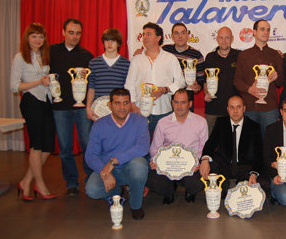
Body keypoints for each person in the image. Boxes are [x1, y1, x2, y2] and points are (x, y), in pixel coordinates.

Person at [85, 88, 150, 220]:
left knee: (140, 165)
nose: (122, 107)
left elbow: (143, 147)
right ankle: (116, 194)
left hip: (129, 168)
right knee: (92, 190)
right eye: (117, 103)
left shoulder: (140, 121)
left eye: (126, 103)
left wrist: (114, 161)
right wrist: (105, 173)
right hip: (108, 169)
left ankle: (135, 205)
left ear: (131, 104)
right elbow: (90, 155)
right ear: (110, 105)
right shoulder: (99, 125)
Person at [10, 23, 56, 201]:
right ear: (27, 38)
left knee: (48, 146)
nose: (37, 40)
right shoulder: (20, 57)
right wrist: (38, 82)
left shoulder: (43, 55)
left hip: (46, 101)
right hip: (31, 101)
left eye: (40, 36)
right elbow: (14, 86)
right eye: (34, 36)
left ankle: (26, 181)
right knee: (36, 145)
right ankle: (40, 184)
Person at [50, 18, 94, 196]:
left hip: (82, 109)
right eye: (71, 32)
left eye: (78, 33)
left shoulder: (86, 56)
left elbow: (92, 84)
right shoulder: (51, 51)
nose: (74, 36)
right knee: (65, 148)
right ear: (63, 32)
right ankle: (71, 184)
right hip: (60, 109)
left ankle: (91, 178)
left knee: (87, 145)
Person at [124, 22, 185, 139]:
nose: (145, 37)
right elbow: (129, 84)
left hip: (164, 110)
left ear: (158, 37)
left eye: (149, 34)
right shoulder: (136, 60)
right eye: (143, 34)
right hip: (140, 111)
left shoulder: (170, 58)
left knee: (164, 145)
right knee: (142, 145)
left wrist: (165, 89)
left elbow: (181, 82)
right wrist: (133, 106)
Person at [200, 95, 268, 198]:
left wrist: (253, 173)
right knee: (218, 194)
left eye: (238, 107)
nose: (235, 111)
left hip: (244, 166)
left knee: (263, 184)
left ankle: (240, 183)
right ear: (227, 109)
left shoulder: (254, 126)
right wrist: (205, 159)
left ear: (244, 108)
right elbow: (211, 143)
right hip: (225, 164)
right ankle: (224, 184)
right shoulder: (221, 122)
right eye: (232, 107)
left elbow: (259, 153)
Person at [147, 89, 207, 204]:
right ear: (172, 103)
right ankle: (169, 191)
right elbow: (155, 147)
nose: (179, 106)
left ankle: (190, 191)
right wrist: (155, 160)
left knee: (199, 179)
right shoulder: (163, 122)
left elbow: (203, 146)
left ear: (190, 104)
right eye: (176, 102)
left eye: (183, 102)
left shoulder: (201, 122)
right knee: (150, 179)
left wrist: (197, 163)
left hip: (191, 166)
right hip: (168, 165)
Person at [234, 19, 283, 136]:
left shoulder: (275, 54)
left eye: (268, 30)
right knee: (251, 146)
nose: (265, 32)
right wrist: (249, 89)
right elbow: (237, 81)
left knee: (269, 144)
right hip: (250, 107)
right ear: (254, 32)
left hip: (270, 108)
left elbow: (281, 83)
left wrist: (277, 77)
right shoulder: (243, 55)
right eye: (262, 29)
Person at [86, 28, 130, 121]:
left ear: (118, 43)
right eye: (107, 40)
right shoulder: (94, 63)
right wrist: (88, 108)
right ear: (103, 42)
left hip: (118, 111)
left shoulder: (126, 64)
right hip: (98, 111)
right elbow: (91, 88)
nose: (109, 44)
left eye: (113, 41)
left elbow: (127, 90)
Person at [203, 27, 241, 133]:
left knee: (232, 142)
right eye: (221, 37)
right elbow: (206, 81)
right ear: (217, 39)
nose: (224, 41)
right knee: (211, 141)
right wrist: (206, 93)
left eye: (227, 38)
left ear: (232, 39)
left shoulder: (239, 56)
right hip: (213, 109)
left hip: (233, 110)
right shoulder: (210, 57)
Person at [162, 23, 205, 107]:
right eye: (176, 33)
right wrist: (141, 51)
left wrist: (198, 86)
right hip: (166, 98)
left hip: (186, 99)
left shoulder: (197, 55)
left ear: (187, 35)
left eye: (183, 32)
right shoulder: (164, 50)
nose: (180, 36)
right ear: (172, 36)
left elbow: (201, 79)